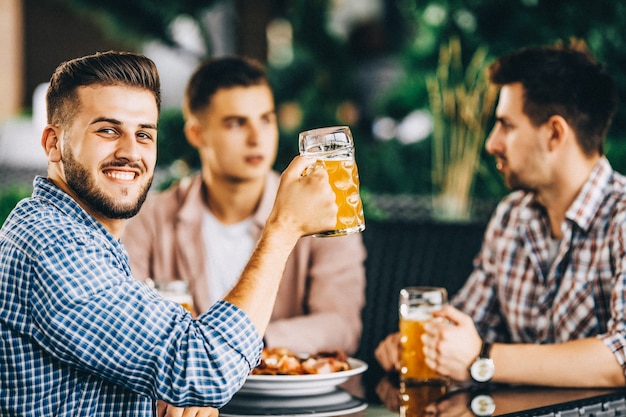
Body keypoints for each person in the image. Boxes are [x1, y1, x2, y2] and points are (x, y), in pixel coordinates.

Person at [0, 51, 338, 417]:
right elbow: (206, 366)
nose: (130, 152)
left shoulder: (78, 236)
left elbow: (169, 368)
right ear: (53, 143)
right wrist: (283, 228)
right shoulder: (55, 247)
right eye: (108, 130)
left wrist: (173, 393)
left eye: (144, 134)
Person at [375, 40, 626, 387]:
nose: (492, 142)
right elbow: (469, 324)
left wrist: (483, 358)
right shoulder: (511, 217)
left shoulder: (622, 217)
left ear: (554, 134)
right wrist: (429, 344)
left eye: (506, 125)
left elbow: (622, 358)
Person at [122, 56, 366, 355]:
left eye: (266, 119)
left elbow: (341, 327)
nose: (257, 137)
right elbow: (127, 324)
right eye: (236, 123)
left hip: (296, 397)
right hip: (184, 396)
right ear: (196, 133)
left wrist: (243, 345)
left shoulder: (326, 208)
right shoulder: (149, 219)